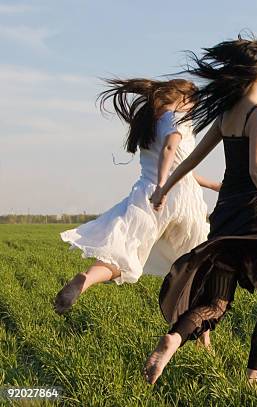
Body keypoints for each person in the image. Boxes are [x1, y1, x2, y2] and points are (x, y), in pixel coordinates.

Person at [144, 34, 257, 385]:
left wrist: (163, 188)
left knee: (218, 301)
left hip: (225, 217)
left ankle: (173, 339)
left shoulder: (226, 115)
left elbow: (190, 160)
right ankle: (252, 379)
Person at [54, 78, 220, 344]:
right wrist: (164, 188)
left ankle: (85, 280)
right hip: (177, 200)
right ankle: (204, 343)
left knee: (123, 255)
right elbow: (170, 149)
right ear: (183, 100)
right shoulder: (176, 120)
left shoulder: (148, 125)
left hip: (147, 196)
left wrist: (212, 184)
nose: (192, 109)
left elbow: (180, 164)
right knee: (197, 271)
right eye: (192, 103)